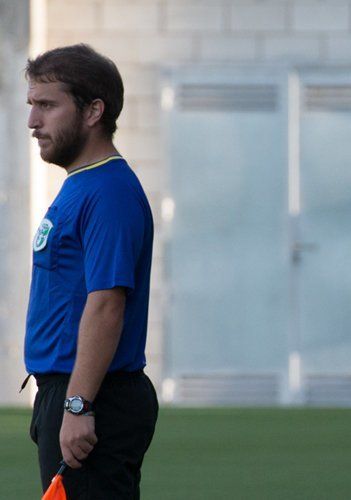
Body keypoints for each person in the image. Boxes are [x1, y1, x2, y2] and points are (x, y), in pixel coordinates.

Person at [24, 44, 158, 498]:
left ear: (92, 111)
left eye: (47, 105)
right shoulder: (81, 185)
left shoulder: (109, 192)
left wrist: (78, 405)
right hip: (68, 393)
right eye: (32, 106)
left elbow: (106, 305)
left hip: (95, 398)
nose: (33, 123)